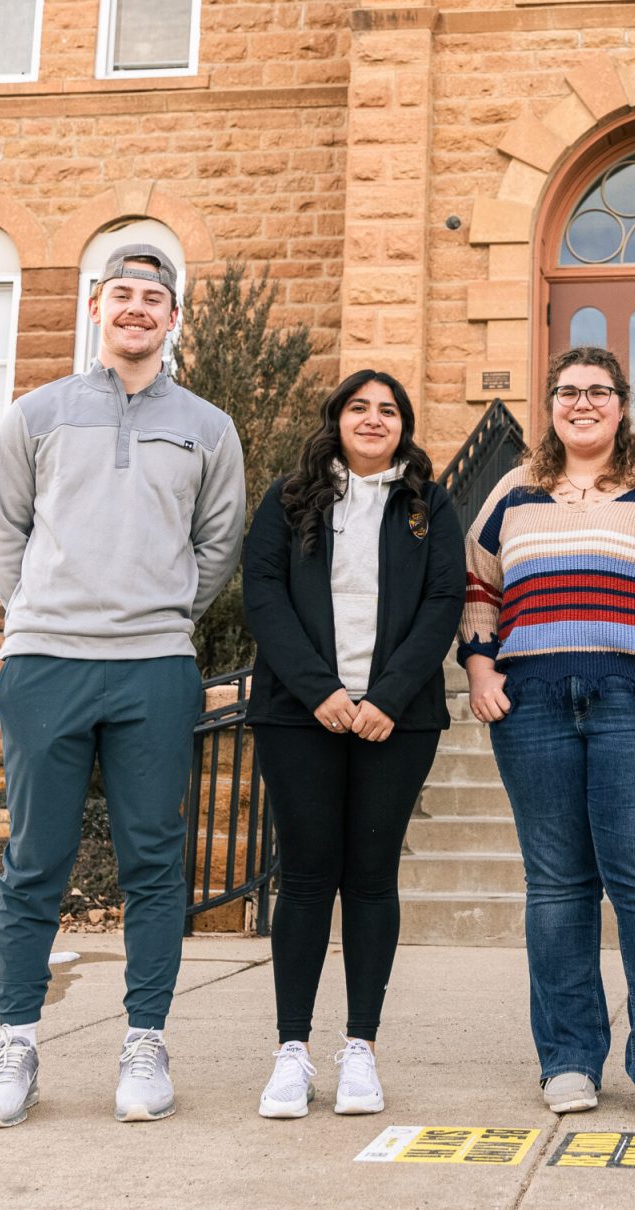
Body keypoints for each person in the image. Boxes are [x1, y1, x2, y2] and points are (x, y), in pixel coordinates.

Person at [0, 243, 246, 1127]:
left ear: (173, 319)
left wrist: (159, 617)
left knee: (155, 865)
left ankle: (145, 1042)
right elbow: (4, 532)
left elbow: (217, 548)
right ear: (96, 306)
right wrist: (42, 617)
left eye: (153, 298)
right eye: (121, 293)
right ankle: (15, 1045)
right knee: (34, 864)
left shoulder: (208, 427)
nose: (136, 308)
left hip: (154, 671)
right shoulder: (37, 414)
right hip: (46, 664)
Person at [460, 345, 635, 1126]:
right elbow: (480, 587)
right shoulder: (513, 492)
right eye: (568, 392)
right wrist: (481, 672)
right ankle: (570, 1061)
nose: (583, 403)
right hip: (533, 704)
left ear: (622, 404)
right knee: (556, 888)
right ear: (549, 406)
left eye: (598, 391)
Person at [239, 369, 463, 1119]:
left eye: (389, 410)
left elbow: (443, 604)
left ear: (404, 425)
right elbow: (262, 595)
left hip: (395, 721)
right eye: (359, 408)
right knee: (304, 877)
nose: (374, 419)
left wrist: (387, 697)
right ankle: (291, 1054)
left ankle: (360, 1050)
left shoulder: (429, 506)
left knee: (371, 878)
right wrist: (323, 692)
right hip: (300, 714)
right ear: (335, 419)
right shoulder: (289, 498)